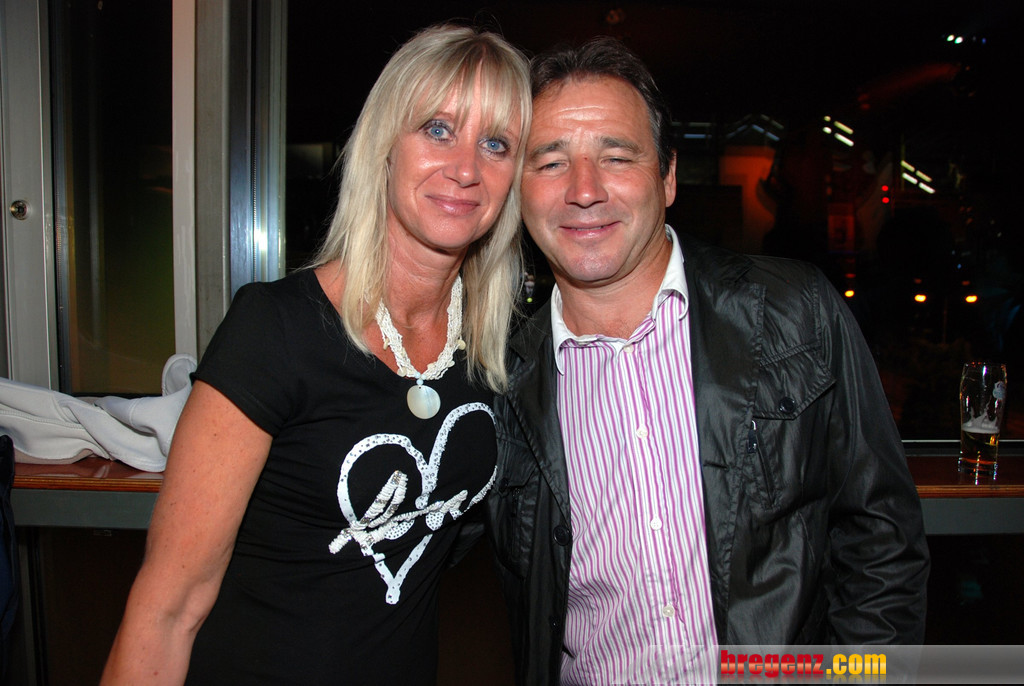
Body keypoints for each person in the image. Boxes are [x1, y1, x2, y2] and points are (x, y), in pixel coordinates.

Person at [487, 37, 930, 685]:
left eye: (616, 156)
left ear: (668, 177)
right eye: (551, 162)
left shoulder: (795, 312)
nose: (584, 190)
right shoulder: (499, 383)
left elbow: (881, 540)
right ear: (517, 191)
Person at [102, 24, 530, 685]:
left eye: (496, 144)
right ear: (385, 146)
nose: (467, 168)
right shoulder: (276, 330)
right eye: (438, 129)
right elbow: (168, 608)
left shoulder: (493, 357)